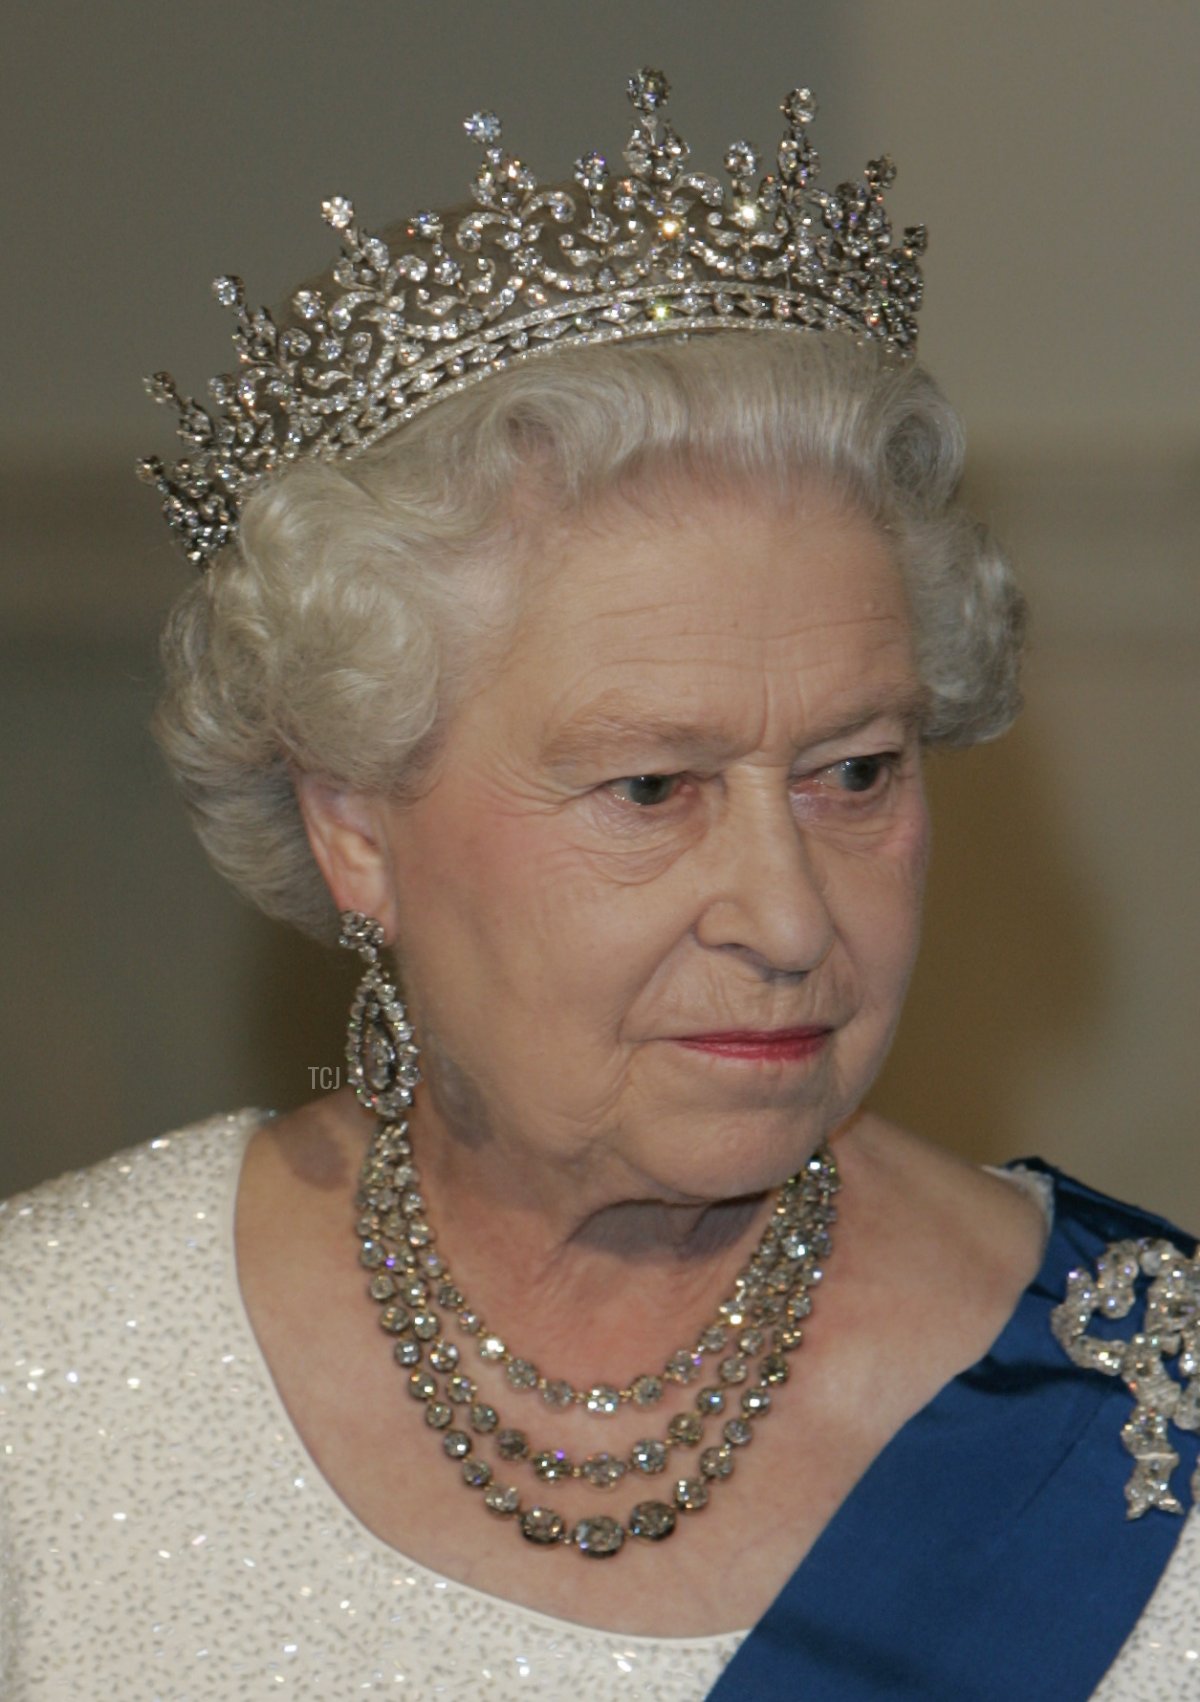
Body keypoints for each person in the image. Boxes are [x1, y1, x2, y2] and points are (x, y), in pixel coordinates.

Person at [2, 68, 1198, 1701]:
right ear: (353, 819)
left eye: (856, 771)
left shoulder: (1132, 1434)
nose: (789, 921)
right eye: (652, 787)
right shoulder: (45, 1385)